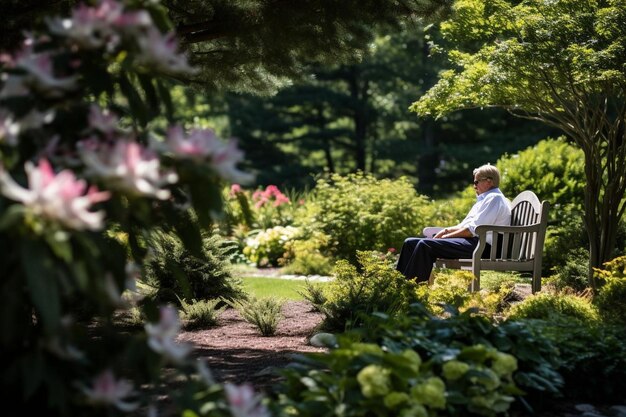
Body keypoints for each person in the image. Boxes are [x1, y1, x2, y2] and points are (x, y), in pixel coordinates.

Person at [396, 164, 511, 282]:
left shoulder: (494, 198)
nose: (474, 186)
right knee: (409, 243)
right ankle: (397, 285)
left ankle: (411, 290)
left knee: (425, 245)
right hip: (475, 243)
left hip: (485, 247)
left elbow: (472, 231)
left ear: (489, 181)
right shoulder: (485, 200)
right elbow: (463, 226)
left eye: (476, 182)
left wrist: (445, 237)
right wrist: (446, 231)